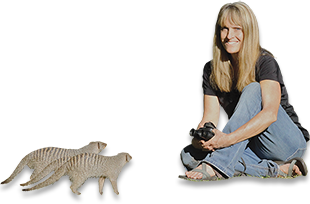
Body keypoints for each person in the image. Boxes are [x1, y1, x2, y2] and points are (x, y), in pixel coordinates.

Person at [179, 2, 308, 181]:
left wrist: (226, 140)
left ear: (249, 31)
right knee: (188, 155)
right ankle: (277, 170)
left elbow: (270, 114)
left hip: (287, 143)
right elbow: (209, 118)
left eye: (237, 29)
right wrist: (199, 140)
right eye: (224, 29)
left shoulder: (265, 62)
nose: (229, 35)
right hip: (251, 144)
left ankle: (215, 165)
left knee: (254, 89)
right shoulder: (211, 70)